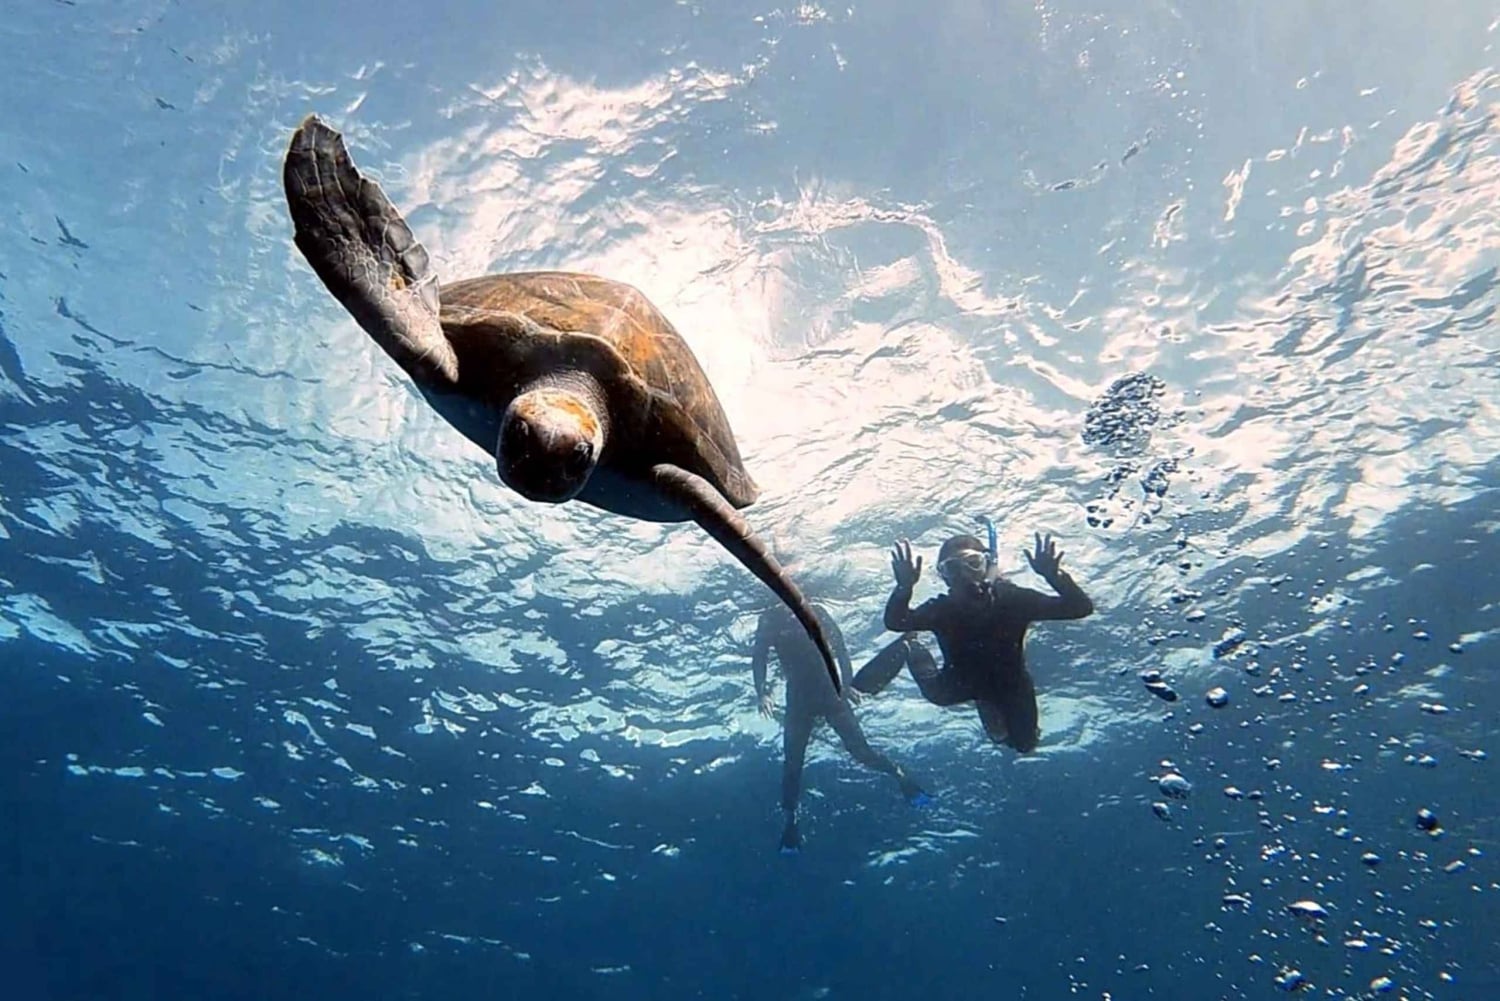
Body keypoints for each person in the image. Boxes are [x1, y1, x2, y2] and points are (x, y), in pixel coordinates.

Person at [853, 530, 1094, 753]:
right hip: (958, 684)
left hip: (1011, 684)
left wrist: (1055, 576)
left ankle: (990, 711)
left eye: (973, 563)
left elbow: (1080, 608)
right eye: (953, 568)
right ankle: (911, 647)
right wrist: (903, 587)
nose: (965, 574)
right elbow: (897, 622)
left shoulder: (1012, 600)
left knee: (1025, 745)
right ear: (945, 577)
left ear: (987, 565)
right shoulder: (943, 609)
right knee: (938, 696)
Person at [751, 597, 929, 855]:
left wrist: (847, 684)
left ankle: (900, 775)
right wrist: (762, 692)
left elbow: (840, 647)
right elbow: (759, 657)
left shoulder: (815, 611)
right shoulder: (769, 619)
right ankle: (791, 821)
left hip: (830, 692)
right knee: (793, 762)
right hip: (799, 699)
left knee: (861, 752)